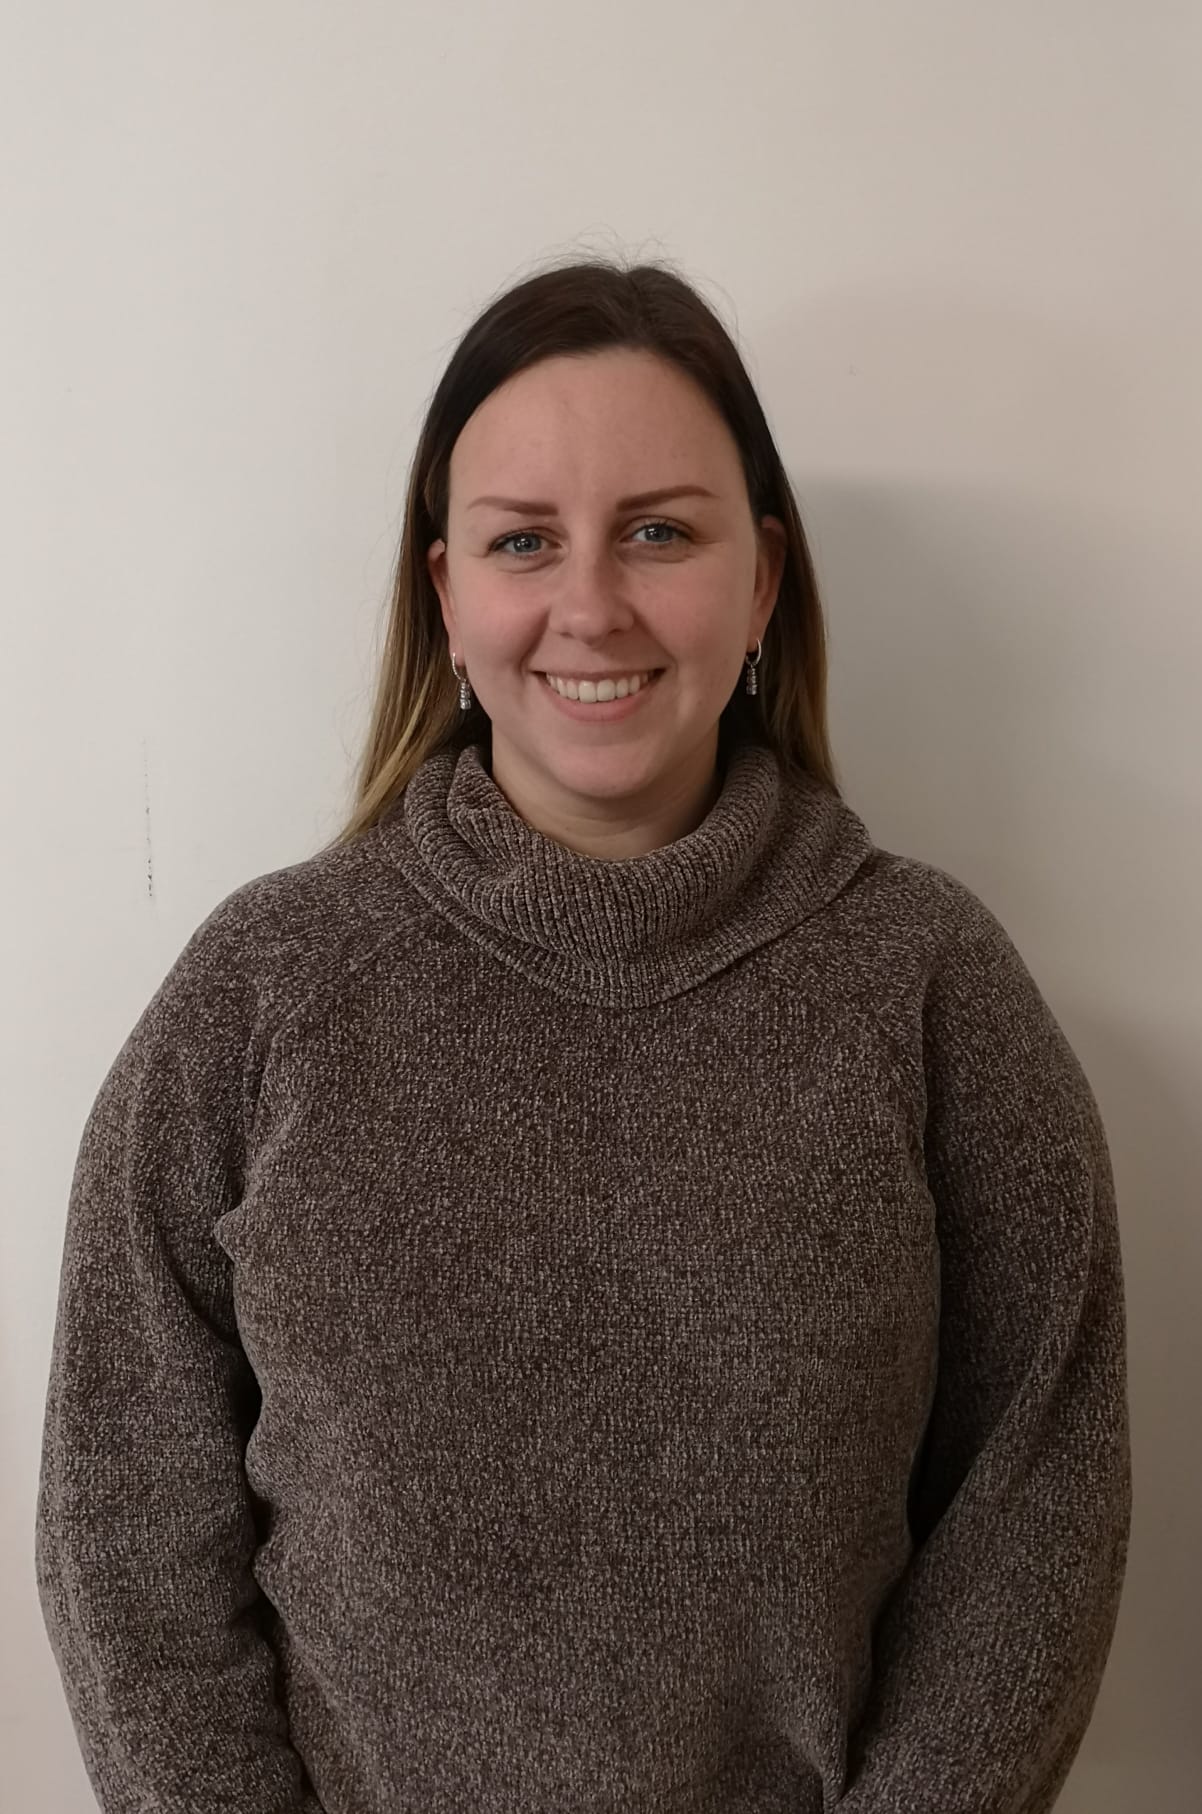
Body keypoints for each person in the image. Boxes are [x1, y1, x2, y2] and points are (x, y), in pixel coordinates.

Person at [34, 255, 1132, 1814]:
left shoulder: (932, 986)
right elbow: (122, 1518)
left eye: (659, 532)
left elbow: (1038, 1503)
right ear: (446, 596)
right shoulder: (261, 990)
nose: (589, 603)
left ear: (759, 582)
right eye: (523, 541)